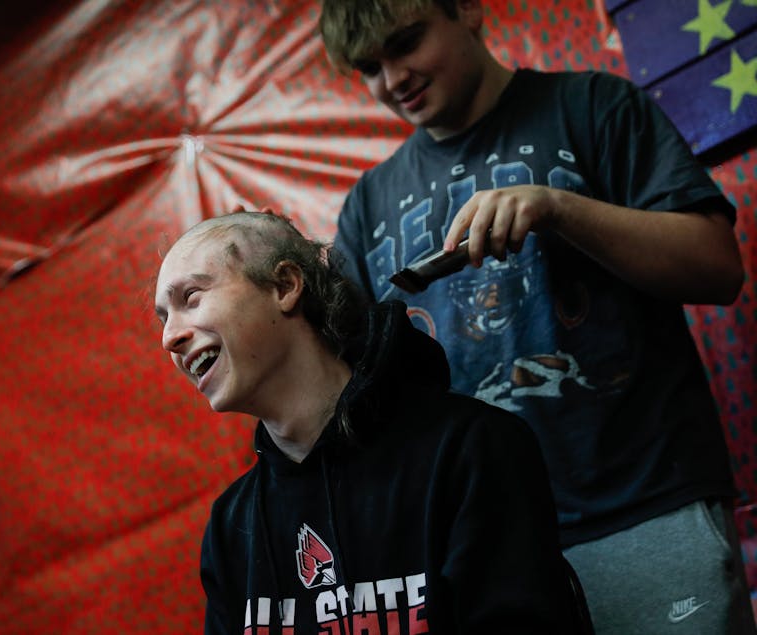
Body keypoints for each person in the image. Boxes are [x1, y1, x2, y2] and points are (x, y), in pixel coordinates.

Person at [317, 0, 753, 633]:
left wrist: (559, 208)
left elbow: (717, 268)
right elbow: (353, 380)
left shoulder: (596, 106)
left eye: (407, 42)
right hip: (487, 547)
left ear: (466, 10)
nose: (393, 79)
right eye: (369, 67)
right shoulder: (368, 203)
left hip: (644, 506)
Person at [154, 211, 582, 633]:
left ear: (285, 286)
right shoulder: (232, 525)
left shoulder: (472, 449)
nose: (169, 338)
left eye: (191, 298)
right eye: (163, 318)